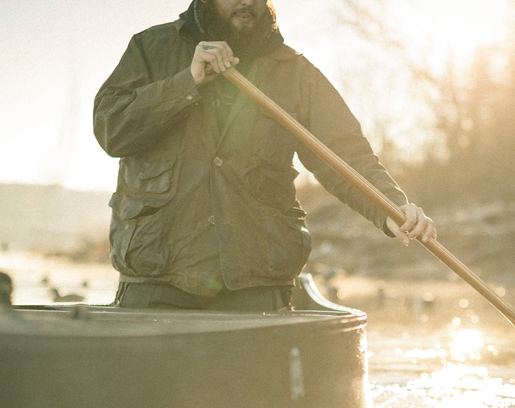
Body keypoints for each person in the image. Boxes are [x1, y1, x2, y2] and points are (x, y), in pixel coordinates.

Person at [94, 0, 436, 311]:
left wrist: (390, 207)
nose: (247, 2)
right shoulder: (150, 48)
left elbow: (346, 154)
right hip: (155, 280)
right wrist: (187, 82)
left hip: (256, 282)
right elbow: (110, 129)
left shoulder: (296, 73)